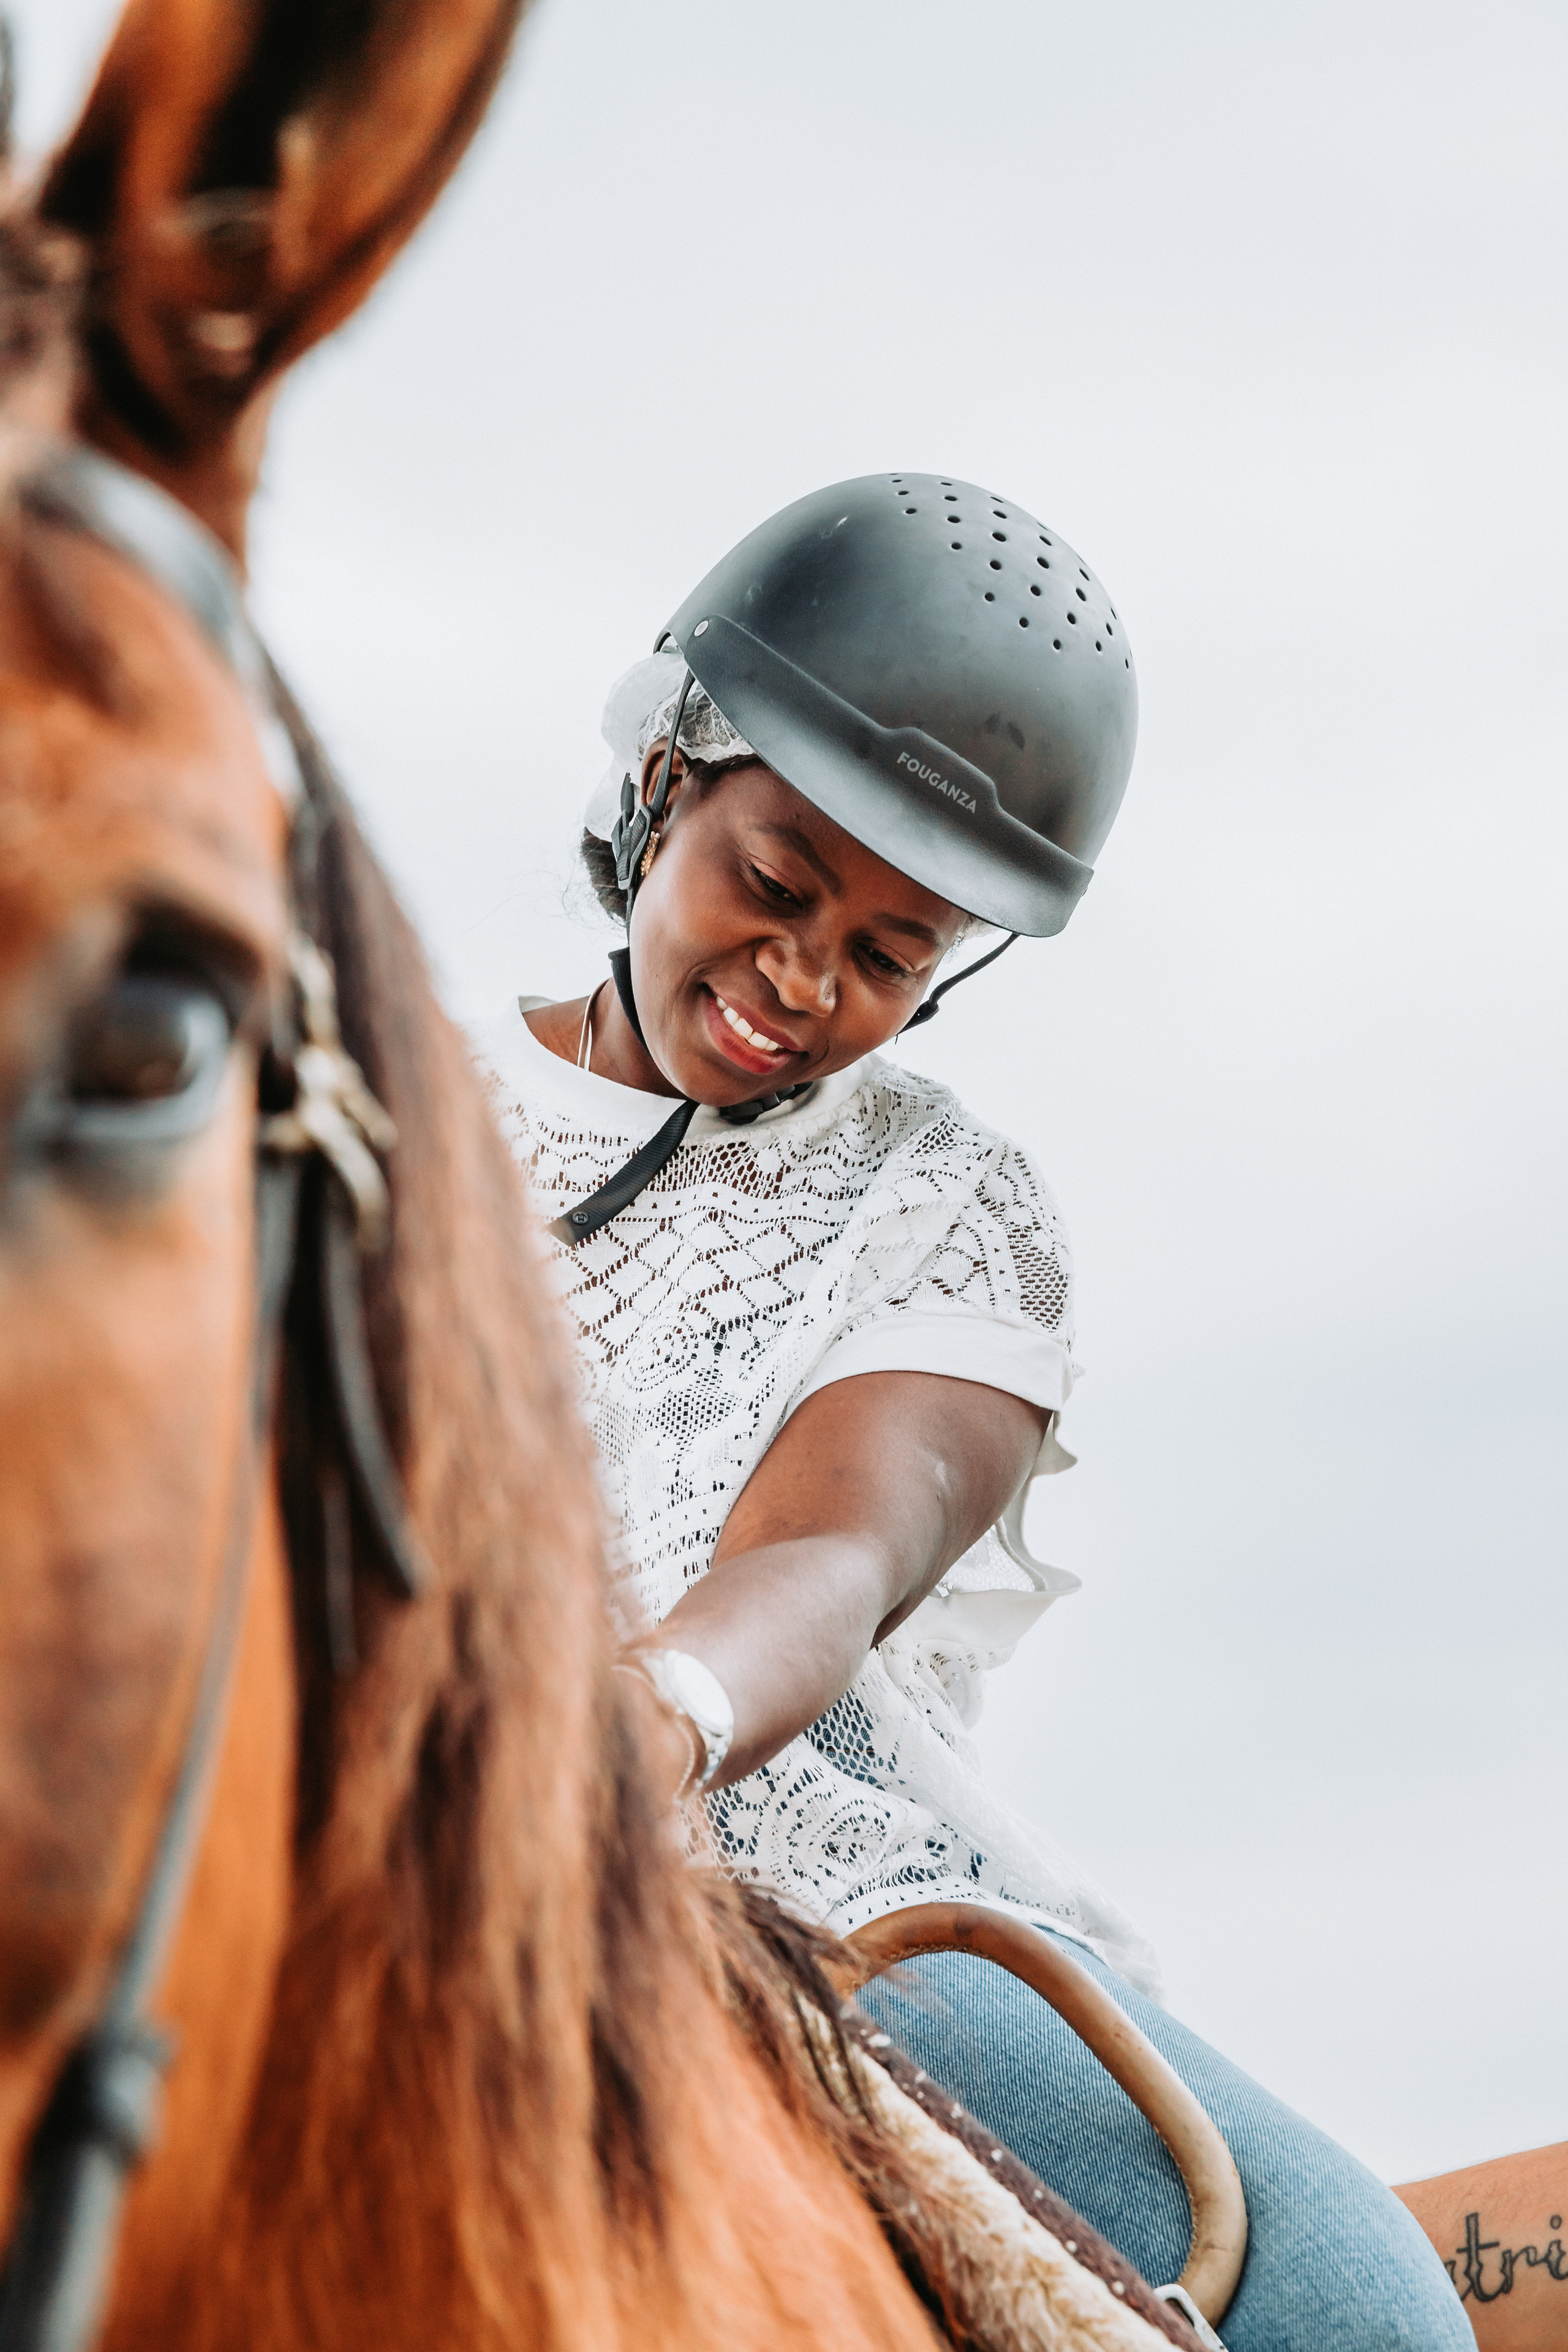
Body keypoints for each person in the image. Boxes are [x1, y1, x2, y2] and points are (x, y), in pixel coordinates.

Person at [480, 474, 1470, 2351]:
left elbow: (830, 1550)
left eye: (889, 954)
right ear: (663, 777)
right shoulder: (386, 1114)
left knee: (1366, 2321)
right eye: (775, 886)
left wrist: (647, 1726)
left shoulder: (946, 1199)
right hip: (374, 1852)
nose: (801, 981)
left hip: (811, 1926)